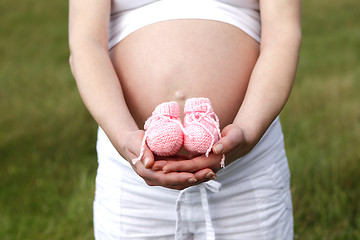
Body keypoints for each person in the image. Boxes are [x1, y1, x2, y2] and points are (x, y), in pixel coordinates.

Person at [68, 0, 301, 239]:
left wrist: (249, 129)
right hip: (133, 181)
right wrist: (125, 138)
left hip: (246, 172)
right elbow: (86, 42)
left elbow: (282, 35)